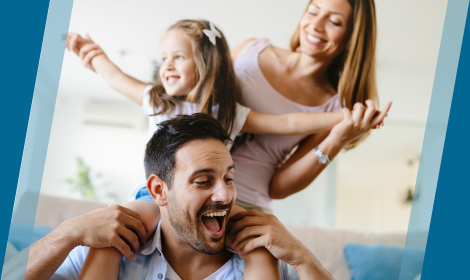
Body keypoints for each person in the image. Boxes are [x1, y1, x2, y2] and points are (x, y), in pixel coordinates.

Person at [15, 114, 333, 280]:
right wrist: (66, 233)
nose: (225, 195)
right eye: (203, 181)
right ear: (158, 191)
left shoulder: (263, 258)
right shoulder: (111, 244)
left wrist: (302, 257)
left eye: (229, 178)